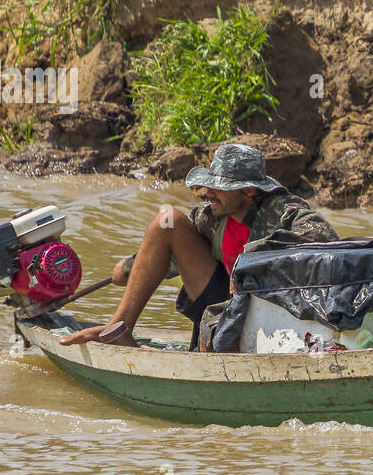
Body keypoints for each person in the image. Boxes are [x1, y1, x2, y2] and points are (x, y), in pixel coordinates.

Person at [59, 142, 337, 350]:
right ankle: (117, 329)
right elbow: (164, 254)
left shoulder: (283, 212)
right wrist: (127, 269)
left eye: (218, 187)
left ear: (250, 191)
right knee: (167, 221)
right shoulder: (212, 218)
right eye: (207, 185)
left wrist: (252, 260)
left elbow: (326, 241)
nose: (207, 193)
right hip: (224, 304)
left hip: (268, 316)